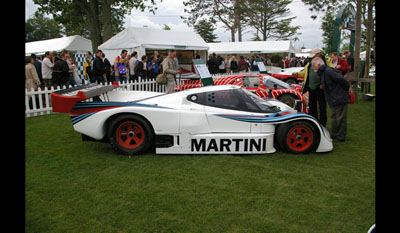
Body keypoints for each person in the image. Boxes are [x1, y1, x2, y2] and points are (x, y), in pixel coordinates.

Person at [312, 57, 350, 142]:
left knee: (340, 118)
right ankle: (334, 134)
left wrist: (344, 90)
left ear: (318, 65)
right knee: (334, 117)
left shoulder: (328, 71)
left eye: (313, 65)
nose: (312, 67)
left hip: (338, 97)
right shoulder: (324, 72)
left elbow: (342, 80)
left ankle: (340, 136)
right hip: (334, 97)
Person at [292, 48, 327, 127]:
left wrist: (323, 83)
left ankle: (322, 124)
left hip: (320, 89)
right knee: (312, 106)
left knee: (322, 107)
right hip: (311, 88)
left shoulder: (326, 63)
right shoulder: (309, 64)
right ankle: (314, 123)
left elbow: (330, 72)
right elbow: (306, 73)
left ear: (318, 54)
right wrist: (297, 74)